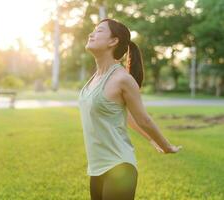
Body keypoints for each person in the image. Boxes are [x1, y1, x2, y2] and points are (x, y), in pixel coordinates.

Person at [77, 18, 182, 200]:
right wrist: (150, 139)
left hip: (119, 167)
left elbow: (143, 119)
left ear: (113, 41)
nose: (91, 34)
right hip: (96, 168)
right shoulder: (95, 78)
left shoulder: (122, 79)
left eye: (99, 31)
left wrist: (166, 146)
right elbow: (126, 117)